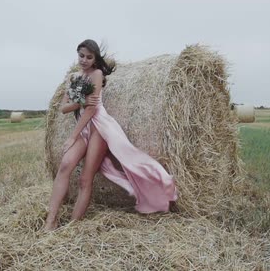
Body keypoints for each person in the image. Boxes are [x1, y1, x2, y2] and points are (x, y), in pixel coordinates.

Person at [44, 39, 178, 231]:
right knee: (65, 165)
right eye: (81, 55)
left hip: (99, 127)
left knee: (85, 179)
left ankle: (71, 228)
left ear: (95, 59)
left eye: (89, 57)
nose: (84, 60)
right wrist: (79, 102)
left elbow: (92, 110)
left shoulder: (97, 74)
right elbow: (64, 108)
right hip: (83, 128)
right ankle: (51, 220)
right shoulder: (74, 78)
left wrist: (72, 136)